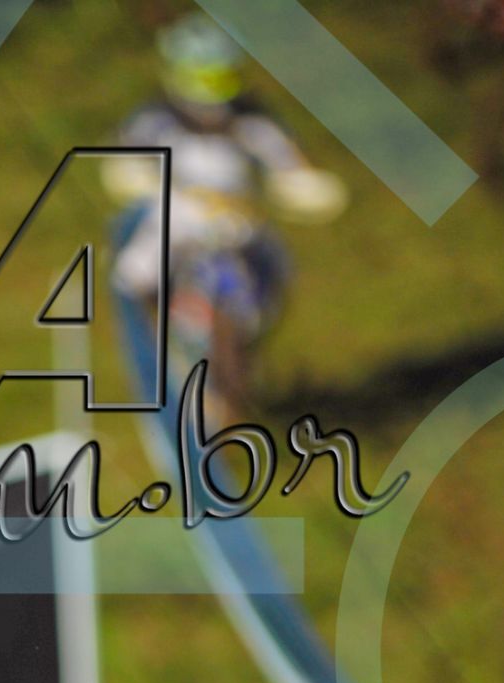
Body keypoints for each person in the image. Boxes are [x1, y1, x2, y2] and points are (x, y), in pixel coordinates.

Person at [106, 15, 347, 418]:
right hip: (177, 220)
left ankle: (239, 366)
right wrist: (147, 180)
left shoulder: (252, 120)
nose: (215, 86)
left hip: (239, 225)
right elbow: (124, 164)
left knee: (270, 274)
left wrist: (303, 185)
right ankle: (166, 351)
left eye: (222, 74)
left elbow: (287, 164)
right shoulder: (156, 120)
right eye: (207, 74)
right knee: (134, 276)